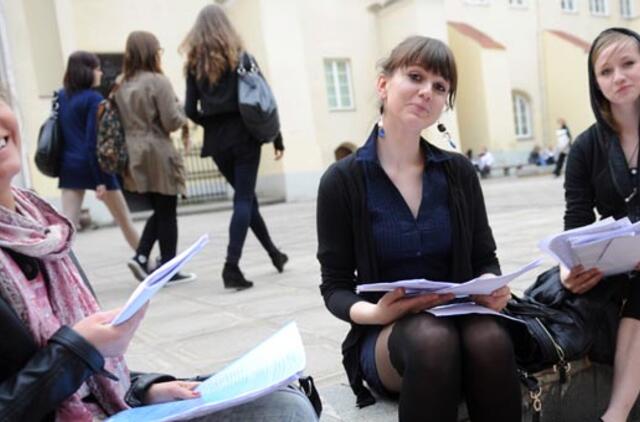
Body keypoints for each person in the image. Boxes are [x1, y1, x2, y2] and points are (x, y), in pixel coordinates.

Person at [0, 91, 318, 422]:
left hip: (110, 407)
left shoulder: (46, 228)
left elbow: (94, 379)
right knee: (285, 413)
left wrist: (146, 389)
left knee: (284, 399)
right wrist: (78, 350)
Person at [316, 36, 520, 422]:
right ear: (383, 84)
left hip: (460, 316)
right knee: (431, 339)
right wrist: (376, 314)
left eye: (440, 86)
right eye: (415, 76)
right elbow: (334, 287)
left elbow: (485, 258)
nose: (427, 91)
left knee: (491, 337)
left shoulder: (458, 172)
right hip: (387, 335)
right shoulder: (342, 181)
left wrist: (491, 286)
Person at [560, 27, 640, 422]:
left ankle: (616, 414)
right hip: (614, 270)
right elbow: (575, 224)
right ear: (595, 82)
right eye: (606, 71)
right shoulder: (586, 147)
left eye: (629, 64)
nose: (618, 77)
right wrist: (567, 271)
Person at [182, 4, 288, 290]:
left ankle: (274, 254)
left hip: (216, 142)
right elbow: (265, 99)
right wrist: (276, 136)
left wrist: (211, 121)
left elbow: (190, 109)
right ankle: (231, 267)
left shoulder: (193, 65)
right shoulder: (242, 58)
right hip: (244, 136)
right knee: (243, 200)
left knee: (247, 199)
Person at [114, 31, 195, 284]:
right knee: (167, 209)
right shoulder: (158, 81)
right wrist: (182, 113)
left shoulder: (121, 83)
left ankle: (143, 258)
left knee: (161, 208)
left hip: (134, 151)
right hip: (157, 149)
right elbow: (170, 121)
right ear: (152, 52)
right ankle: (166, 267)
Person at [57, 51, 139, 251]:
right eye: (97, 68)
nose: (101, 73)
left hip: (69, 167)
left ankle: (55, 274)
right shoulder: (94, 99)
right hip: (96, 167)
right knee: (125, 221)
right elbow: (93, 142)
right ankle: (147, 262)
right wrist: (100, 180)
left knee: (65, 231)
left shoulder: (61, 96)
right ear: (87, 71)